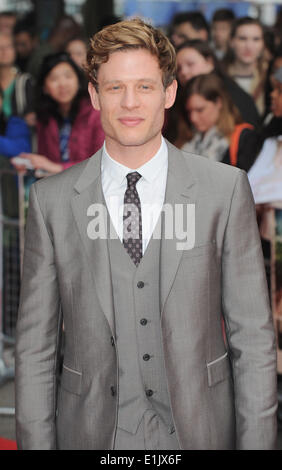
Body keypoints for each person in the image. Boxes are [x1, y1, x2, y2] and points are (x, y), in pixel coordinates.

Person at [15, 18, 277, 450]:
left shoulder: (224, 189)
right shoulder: (52, 201)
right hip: (93, 433)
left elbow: (253, 338)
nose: (130, 102)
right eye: (115, 87)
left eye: (145, 86)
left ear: (169, 93)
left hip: (201, 429)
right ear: (95, 96)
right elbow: (35, 350)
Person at [12, 52, 104, 174]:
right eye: (54, 78)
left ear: (78, 80)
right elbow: (45, 162)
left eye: (68, 76)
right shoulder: (45, 118)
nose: (62, 84)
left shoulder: (96, 113)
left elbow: (100, 165)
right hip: (58, 187)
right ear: (45, 88)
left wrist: (56, 167)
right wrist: (31, 166)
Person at [181, 72, 257, 171]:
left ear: (218, 102)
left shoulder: (244, 137)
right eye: (189, 111)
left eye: (200, 110)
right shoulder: (187, 135)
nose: (193, 118)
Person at [176, 39, 260, 126]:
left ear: (209, 62)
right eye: (178, 68)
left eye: (190, 64)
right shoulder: (180, 98)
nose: (183, 72)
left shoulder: (232, 95)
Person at [225, 17, 267, 115]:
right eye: (242, 39)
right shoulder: (219, 76)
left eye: (256, 39)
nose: (249, 46)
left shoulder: (271, 76)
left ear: (263, 43)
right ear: (231, 41)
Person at [0, 32, 35, 124]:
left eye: (8, 46)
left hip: (18, 135)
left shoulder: (25, 81)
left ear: (14, 50)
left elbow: (31, 116)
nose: (4, 51)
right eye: (0, 47)